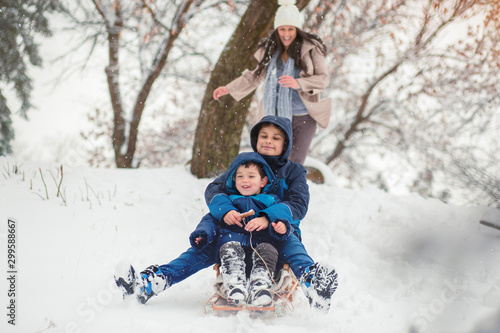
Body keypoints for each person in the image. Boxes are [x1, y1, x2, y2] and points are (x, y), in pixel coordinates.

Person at [115, 116, 338, 313]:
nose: (268, 141)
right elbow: (214, 190)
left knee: (293, 246)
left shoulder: (293, 171)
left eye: (276, 138)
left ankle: (314, 285)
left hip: (275, 232)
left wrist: (269, 218)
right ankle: (147, 284)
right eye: (264, 136)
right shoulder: (242, 165)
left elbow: (298, 204)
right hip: (233, 232)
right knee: (195, 254)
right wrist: (227, 211)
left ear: (286, 144)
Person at [213, 0, 332, 165]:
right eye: (282, 29)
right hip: (275, 118)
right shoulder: (270, 50)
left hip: (304, 118)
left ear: (297, 29)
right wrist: (228, 88)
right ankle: (270, 191)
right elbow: (255, 76)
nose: (286, 34)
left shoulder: (310, 48)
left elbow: (323, 79)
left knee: (294, 165)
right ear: (277, 30)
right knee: (271, 163)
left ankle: (290, 192)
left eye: (291, 29)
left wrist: (298, 83)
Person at [196, 152, 293, 306]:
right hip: (235, 254)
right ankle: (235, 286)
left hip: (262, 252)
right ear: (234, 181)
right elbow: (210, 220)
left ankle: (260, 287)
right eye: (240, 176)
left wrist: (281, 227)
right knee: (229, 248)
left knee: (268, 249)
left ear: (263, 182)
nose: (245, 180)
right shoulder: (229, 202)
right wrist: (202, 233)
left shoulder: (271, 200)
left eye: (251, 176)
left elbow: (283, 220)